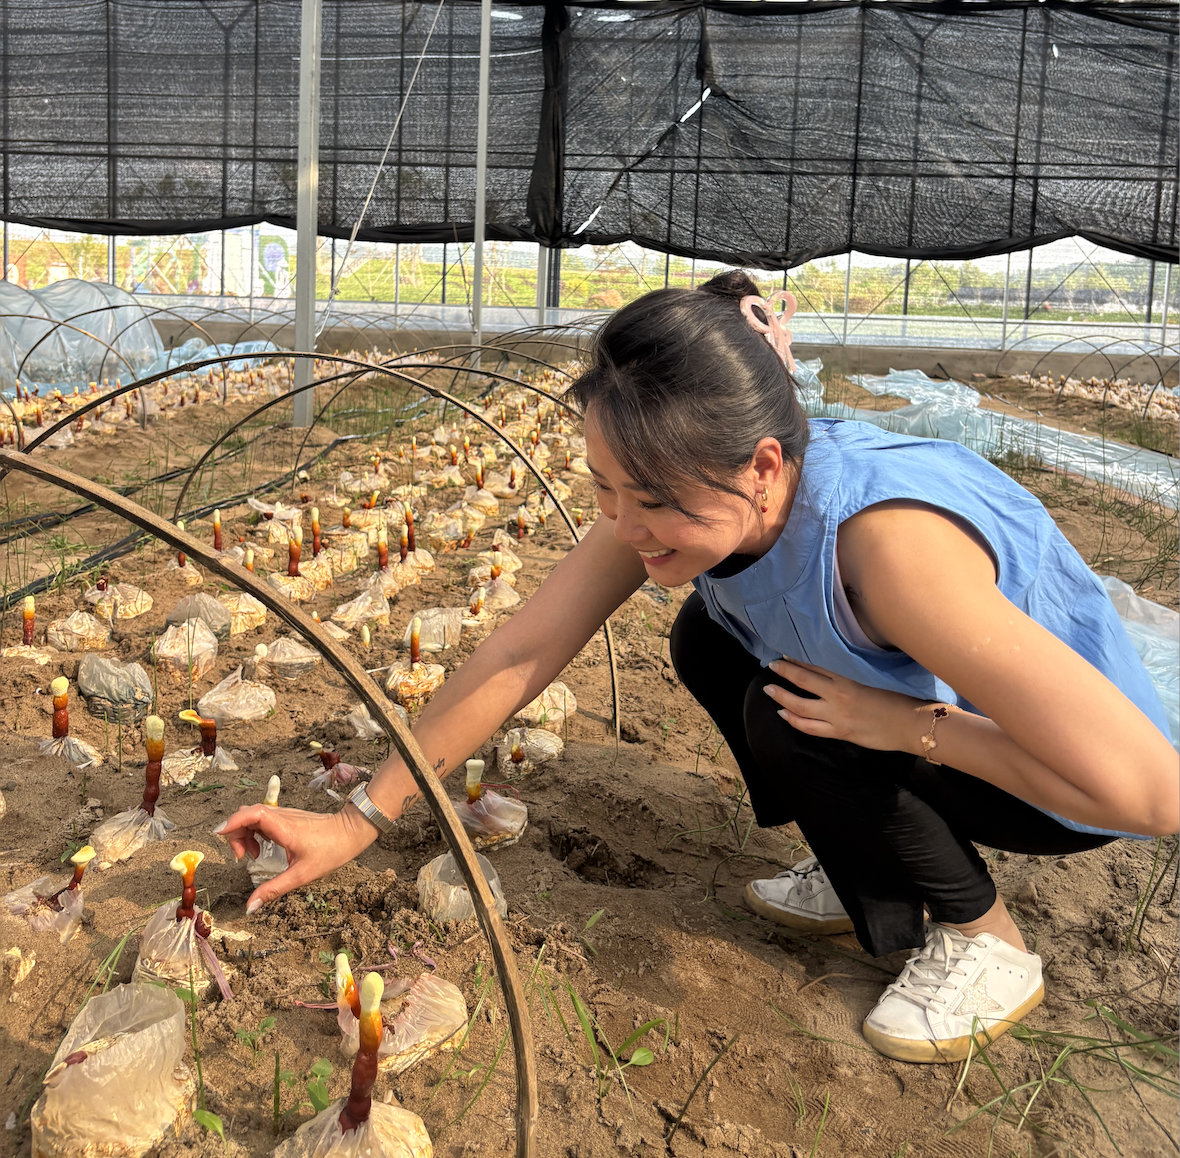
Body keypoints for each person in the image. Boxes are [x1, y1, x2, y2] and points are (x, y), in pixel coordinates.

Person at [218, 272, 1178, 1065]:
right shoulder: (682, 500)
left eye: (653, 499)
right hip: (930, 729)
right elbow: (521, 650)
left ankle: (986, 939)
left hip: (1061, 779)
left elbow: (1148, 795)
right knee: (709, 640)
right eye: (604, 488)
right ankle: (869, 860)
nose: (626, 526)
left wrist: (904, 728)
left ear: (763, 466)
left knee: (783, 708)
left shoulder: (890, 551)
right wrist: (358, 819)